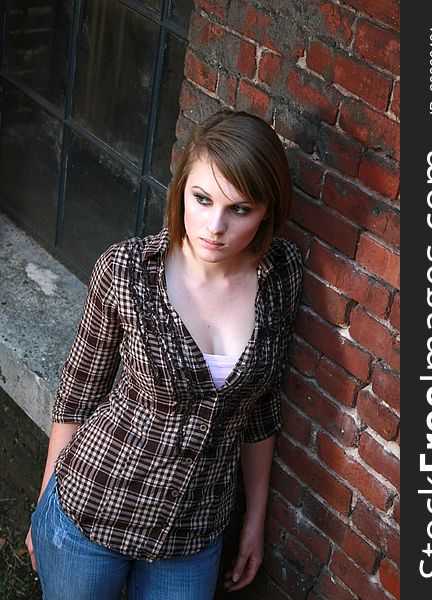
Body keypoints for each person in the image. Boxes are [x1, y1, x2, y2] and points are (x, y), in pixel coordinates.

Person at [25, 110, 303, 600]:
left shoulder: (280, 276)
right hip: (91, 511)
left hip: (194, 535)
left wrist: (254, 521)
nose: (215, 226)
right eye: (202, 199)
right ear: (181, 191)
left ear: (267, 211)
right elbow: (77, 394)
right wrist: (46, 500)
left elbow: (260, 409)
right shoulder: (127, 271)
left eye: (241, 209)